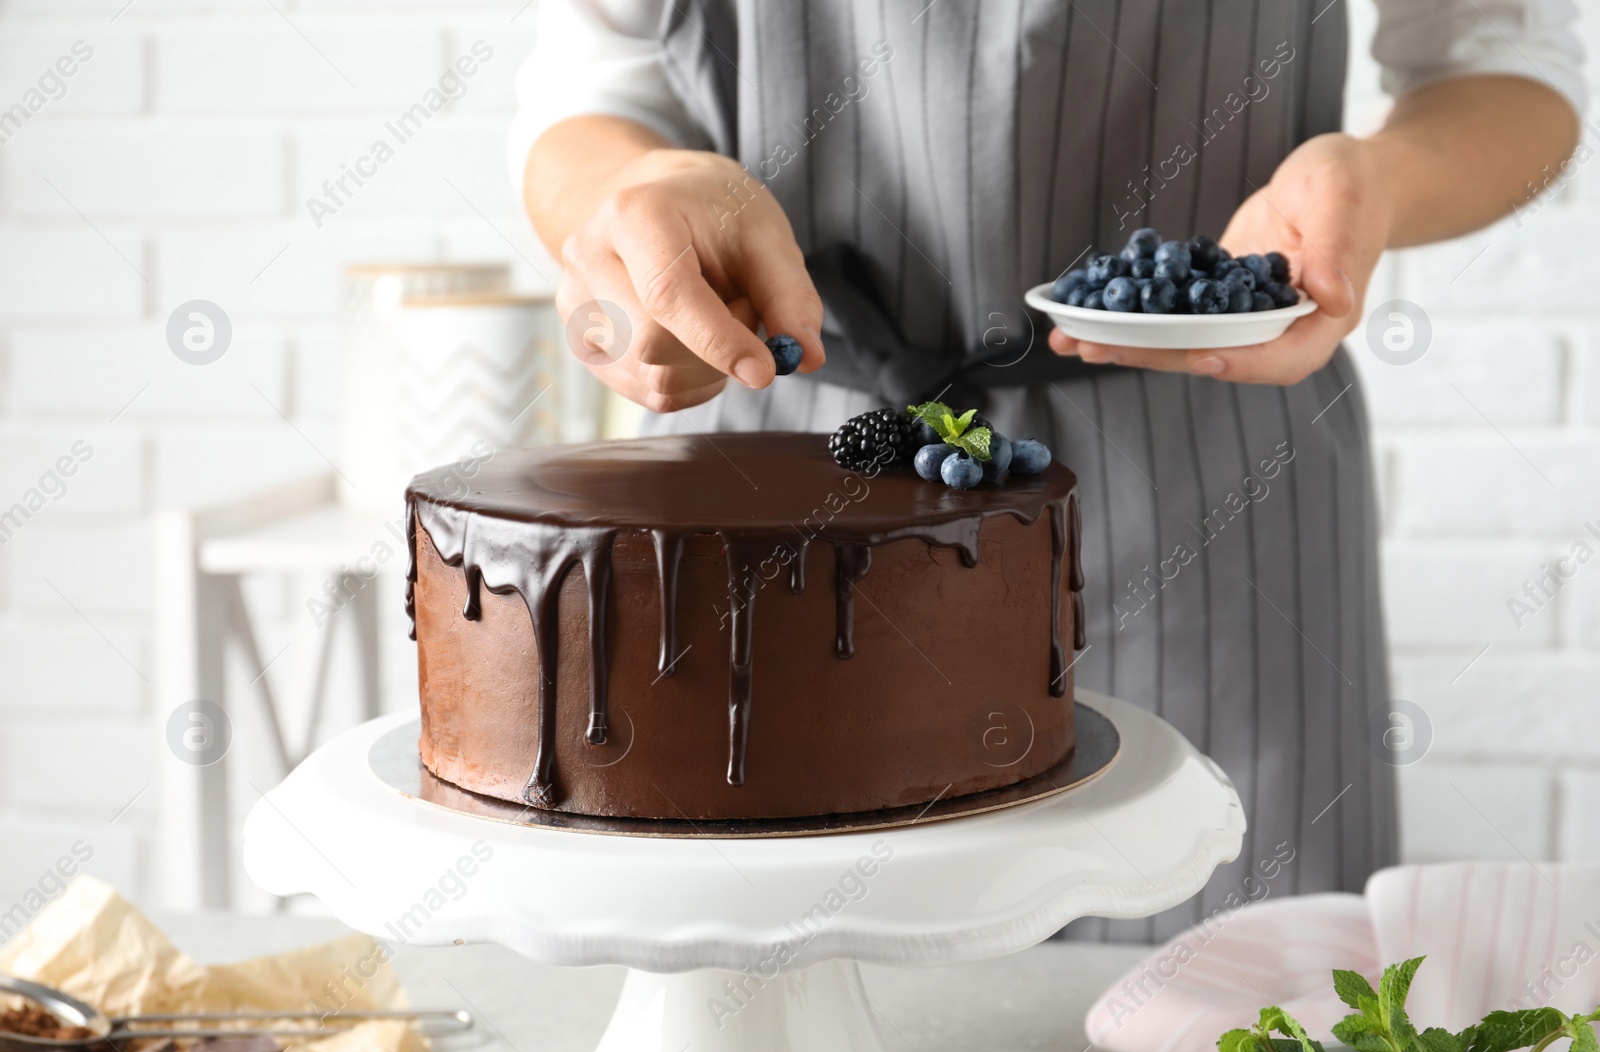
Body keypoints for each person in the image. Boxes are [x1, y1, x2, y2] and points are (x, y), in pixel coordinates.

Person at [510, 0, 1583, 941]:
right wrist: (634, 193)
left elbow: (1508, 71)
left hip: (1219, 493)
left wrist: (1376, 182)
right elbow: (592, 94)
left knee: (1256, 994)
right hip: (789, 456)